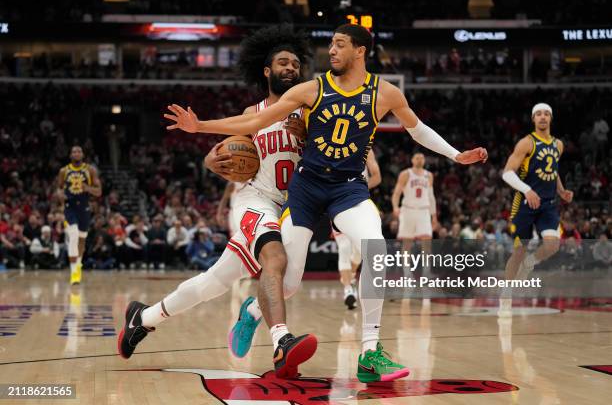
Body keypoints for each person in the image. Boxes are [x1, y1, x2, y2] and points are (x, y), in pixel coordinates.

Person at [165, 24, 487, 382]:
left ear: (360, 50)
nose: (331, 51)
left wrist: (457, 155)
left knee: (377, 248)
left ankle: (369, 352)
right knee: (288, 284)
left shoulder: (385, 93)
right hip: (304, 188)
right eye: (331, 44)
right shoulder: (312, 89)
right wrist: (200, 127)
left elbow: (417, 128)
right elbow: (255, 120)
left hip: (347, 189)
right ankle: (253, 311)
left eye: (339, 44)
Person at [118, 25, 317, 379]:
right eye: (283, 62)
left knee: (221, 283)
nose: (291, 68)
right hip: (256, 200)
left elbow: (329, 156)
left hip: (293, 206)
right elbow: (223, 152)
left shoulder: (310, 113)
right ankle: (281, 342)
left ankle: (144, 318)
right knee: (274, 259)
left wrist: (313, 140)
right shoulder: (253, 112)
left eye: (296, 64)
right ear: (268, 71)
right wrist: (209, 156)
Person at [500, 103, 573, 316]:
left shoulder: (558, 144)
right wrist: (527, 190)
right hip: (524, 203)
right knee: (519, 251)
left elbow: (553, 169)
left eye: (546, 114)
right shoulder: (527, 143)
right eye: (539, 114)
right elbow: (507, 173)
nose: (543, 117)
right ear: (533, 119)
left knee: (553, 245)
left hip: (548, 204)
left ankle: (531, 264)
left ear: (551, 118)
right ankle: (507, 292)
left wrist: (561, 190)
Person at [334, 149, 381, 310]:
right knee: (344, 247)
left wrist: (356, 188)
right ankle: (348, 290)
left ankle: (350, 277)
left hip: (359, 203)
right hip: (337, 202)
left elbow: (377, 176)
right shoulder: (333, 146)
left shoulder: (366, 147)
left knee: (359, 252)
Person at [57, 146, 102, 284]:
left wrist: (87, 188)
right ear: (70, 155)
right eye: (74, 151)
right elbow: (59, 188)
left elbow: (99, 191)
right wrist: (60, 197)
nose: (77, 153)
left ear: (82, 154)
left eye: (79, 151)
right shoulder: (64, 171)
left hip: (84, 207)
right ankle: (74, 272)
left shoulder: (90, 170)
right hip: (70, 207)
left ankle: (78, 265)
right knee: (74, 235)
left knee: (82, 238)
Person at [391, 152, 437, 276]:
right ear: (412, 160)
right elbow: (396, 193)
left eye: (422, 158)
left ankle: (426, 272)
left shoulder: (429, 175)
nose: (420, 160)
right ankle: (407, 273)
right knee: (407, 243)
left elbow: (431, 196)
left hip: (423, 210)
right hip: (408, 210)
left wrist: (434, 215)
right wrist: (395, 207)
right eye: (417, 157)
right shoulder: (405, 174)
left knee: (427, 242)